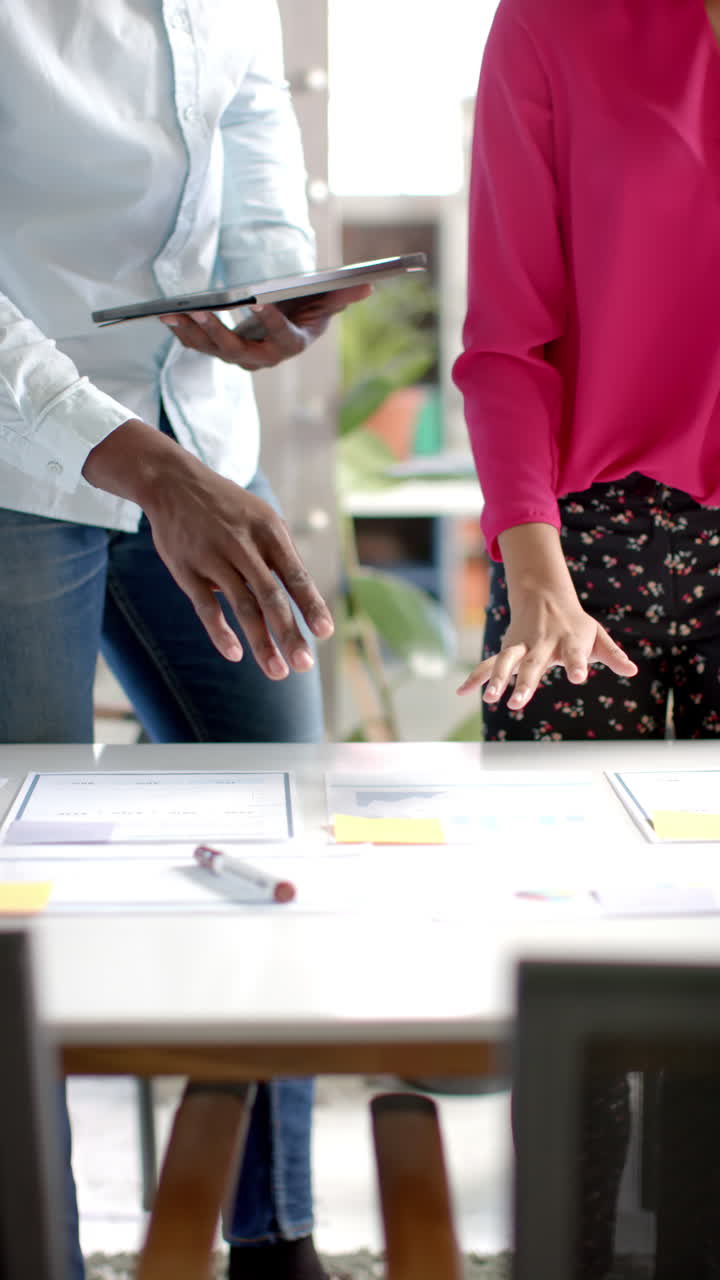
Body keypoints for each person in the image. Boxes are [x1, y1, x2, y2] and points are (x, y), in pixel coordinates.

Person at [0, 5, 367, 1279]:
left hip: (194, 430)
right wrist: (144, 470)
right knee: (10, 909)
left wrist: (272, 275)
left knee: (282, 835)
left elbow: (252, 100)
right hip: (19, 458)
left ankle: (276, 1237)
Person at [452, 0, 720, 1273]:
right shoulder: (552, 23)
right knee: (572, 976)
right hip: (580, 543)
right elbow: (506, 334)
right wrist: (535, 566)